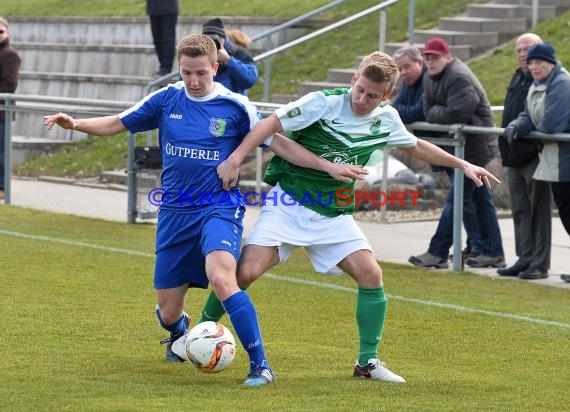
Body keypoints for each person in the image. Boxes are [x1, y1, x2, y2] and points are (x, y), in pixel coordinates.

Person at [43, 34, 364, 387]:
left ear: (215, 67)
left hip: (218, 206)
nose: (194, 81)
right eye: (186, 73)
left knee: (222, 276)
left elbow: (280, 144)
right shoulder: (166, 99)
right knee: (166, 310)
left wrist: (327, 166)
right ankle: (180, 331)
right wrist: (76, 124)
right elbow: (117, 122)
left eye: (201, 73)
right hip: (174, 212)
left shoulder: (235, 105)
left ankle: (260, 365)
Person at [196, 51, 500, 383]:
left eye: (372, 95)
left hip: (333, 216)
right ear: (353, 80)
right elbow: (270, 124)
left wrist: (464, 164)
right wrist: (237, 158)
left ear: (386, 95)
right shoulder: (322, 103)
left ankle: (367, 363)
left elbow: (415, 146)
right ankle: (200, 332)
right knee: (245, 274)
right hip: (289, 204)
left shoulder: (386, 118)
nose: (362, 99)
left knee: (371, 275)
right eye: (359, 90)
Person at [409, 38, 505, 269]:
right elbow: (426, 110)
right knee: (477, 201)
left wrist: (436, 111)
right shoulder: (431, 78)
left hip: (475, 150)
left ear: (448, 57)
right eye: (428, 58)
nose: (431, 62)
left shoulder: (459, 76)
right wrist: (438, 112)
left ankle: (437, 252)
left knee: (457, 200)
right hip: (460, 150)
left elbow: (457, 113)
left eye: (435, 58)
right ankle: (489, 251)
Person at [505, 42, 570, 279]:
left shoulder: (562, 83)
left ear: (551, 63)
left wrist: (528, 132)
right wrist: (518, 125)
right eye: (531, 62)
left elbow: (552, 124)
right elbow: (528, 114)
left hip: (565, 161)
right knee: (566, 213)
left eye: (539, 62)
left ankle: (538, 264)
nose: (533, 66)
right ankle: (527, 260)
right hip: (555, 162)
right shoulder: (538, 84)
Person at [497, 34, 552, 280]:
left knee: (538, 210)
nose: (522, 54)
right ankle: (524, 257)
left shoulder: (542, 78)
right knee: (519, 209)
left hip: (533, 153)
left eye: (527, 49)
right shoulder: (518, 76)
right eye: (518, 49)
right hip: (513, 154)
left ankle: (539, 263)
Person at [202, 18, 258, 96]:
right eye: (207, 40)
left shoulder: (238, 53)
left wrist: (229, 60)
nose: (212, 44)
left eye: (215, 39)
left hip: (232, 104)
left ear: (223, 39)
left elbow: (249, 80)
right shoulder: (200, 54)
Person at [0, 17, 21, 201]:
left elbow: (10, 84)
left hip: (1, 113)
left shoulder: (9, 53)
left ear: (7, 32)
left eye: (0, 31)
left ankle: (2, 188)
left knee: (1, 152)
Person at [392, 46, 426, 124]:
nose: (403, 73)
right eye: (399, 69)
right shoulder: (407, 82)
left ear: (420, 63)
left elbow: (419, 113)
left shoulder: (430, 80)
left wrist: (400, 110)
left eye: (407, 66)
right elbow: (394, 108)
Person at [146, 0, 179, 77]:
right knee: (157, 40)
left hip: (169, 9)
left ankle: (166, 68)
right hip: (153, 9)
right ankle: (162, 67)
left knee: (168, 39)